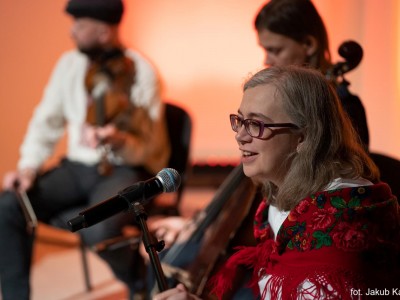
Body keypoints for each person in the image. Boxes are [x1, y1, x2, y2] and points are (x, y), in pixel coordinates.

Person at [154, 66, 400, 299]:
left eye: (255, 124)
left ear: (303, 137)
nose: (240, 136)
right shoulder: (279, 199)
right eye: (240, 120)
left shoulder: (342, 222)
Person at [0, 0, 170, 299]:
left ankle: (140, 280)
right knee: (9, 205)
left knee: (99, 230)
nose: (72, 31)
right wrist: (28, 167)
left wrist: (119, 140)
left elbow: (151, 149)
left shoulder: (142, 72)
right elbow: (46, 120)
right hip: (78, 167)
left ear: (103, 31)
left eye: (79, 24)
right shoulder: (69, 64)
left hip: (124, 168)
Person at [254, 0, 370, 150]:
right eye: (265, 50)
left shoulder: (345, 107)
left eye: (275, 50)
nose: (267, 61)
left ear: (309, 44)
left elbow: (353, 169)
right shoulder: (282, 100)